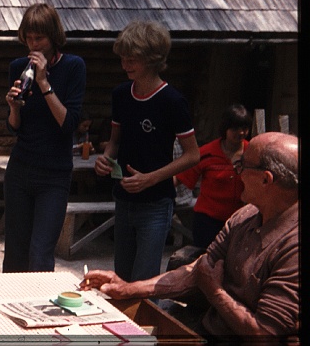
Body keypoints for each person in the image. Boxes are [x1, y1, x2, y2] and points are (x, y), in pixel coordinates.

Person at [80, 131, 299, 340]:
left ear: (266, 180)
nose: (236, 172)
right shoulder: (247, 215)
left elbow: (264, 335)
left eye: (241, 166)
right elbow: (199, 270)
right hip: (204, 331)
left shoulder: (293, 247)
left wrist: (215, 291)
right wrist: (127, 288)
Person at [93, 20, 200, 282]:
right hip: (124, 198)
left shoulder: (172, 101)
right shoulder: (121, 94)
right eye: (123, 59)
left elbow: (192, 155)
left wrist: (150, 178)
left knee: (143, 280)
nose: (125, 65)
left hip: (156, 202)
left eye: (132, 59)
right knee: (120, 277)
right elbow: (114, 142)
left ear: (152, 59)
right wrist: (105, 160)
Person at [2, 3, 87, 272]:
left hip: (54, 174)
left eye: (39, 38)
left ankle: (37, 312)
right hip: (20, 169)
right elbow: (14, 128)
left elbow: (68, 124)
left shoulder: (74, 66)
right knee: (15, 252)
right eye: (28, 37)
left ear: (53, 36)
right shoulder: (18, 66)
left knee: (39, 255)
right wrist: (14, 108)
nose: (33, 44)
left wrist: (43, 83)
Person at [176, 104, 252, 249]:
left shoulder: (253, 153)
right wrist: (152, 181)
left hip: (242, 220)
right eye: (235, 129)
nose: (241, 133)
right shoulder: (206, 152)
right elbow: (181, 178)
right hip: (208, 222)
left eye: (244, 128)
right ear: (225, 129)